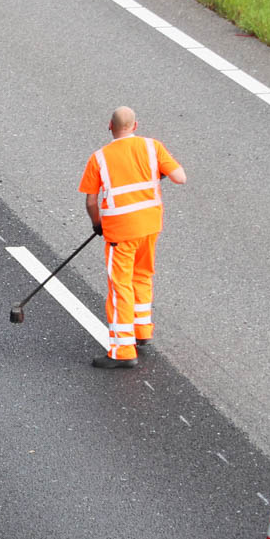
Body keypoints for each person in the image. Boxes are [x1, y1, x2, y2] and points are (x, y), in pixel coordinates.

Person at [78, 106, 187, 369]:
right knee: (142, 275)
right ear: (135, 126)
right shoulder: (153, 147)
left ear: (110, 126)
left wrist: (97, 224)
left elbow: (91, 201)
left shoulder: (100, 158)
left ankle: (123, 350)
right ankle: (142, 330)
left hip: (121, 232)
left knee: (120, 287)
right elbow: (180, 178)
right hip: (150, 226)